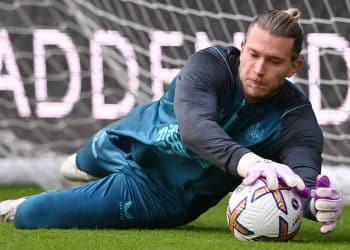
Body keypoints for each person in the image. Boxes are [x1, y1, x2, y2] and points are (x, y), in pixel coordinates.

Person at [0, 8, 343, 234]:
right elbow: (195, 128)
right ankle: (88, 167)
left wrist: (314, 202)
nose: (257, 69)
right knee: (72, 167)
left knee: (34, 215)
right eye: (253, 55)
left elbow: (303, 176)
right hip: (126, 138)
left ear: (293, 67)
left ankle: (18, 207)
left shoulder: (295, 118)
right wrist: (250, 161)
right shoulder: (210, 64)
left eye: (273, 61)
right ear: (242, 47)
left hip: (159, 194)